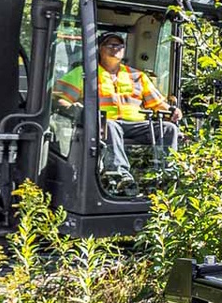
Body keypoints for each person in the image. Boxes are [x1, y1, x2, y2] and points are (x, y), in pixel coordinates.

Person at [53, 31, 181, 192]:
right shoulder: (84, 73)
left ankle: (169, 174)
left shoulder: (137, 76)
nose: (116, 49)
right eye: (111, 45)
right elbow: (59, 98)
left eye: (119, 45)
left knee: (169, 129)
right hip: (103, 125)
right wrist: (75, 109)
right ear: (100, 48)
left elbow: (158, 104)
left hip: (137, 126)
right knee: (110, 126)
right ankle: (120, 176)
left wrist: (173, 110)